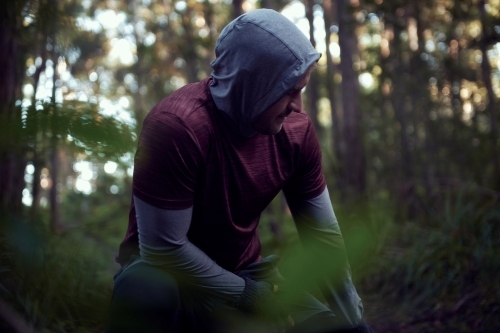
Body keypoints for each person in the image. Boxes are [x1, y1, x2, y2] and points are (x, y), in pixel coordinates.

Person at [106, 8, 372, 333]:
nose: (299, 106)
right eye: (290, 91)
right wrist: (247, 295)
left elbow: (323, 236)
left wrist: (353, 319)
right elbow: (163, 248)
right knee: (147, 290)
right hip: (167, 279)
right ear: (254, 83)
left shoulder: (296, 132)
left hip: (246, 274)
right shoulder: (178, 127)